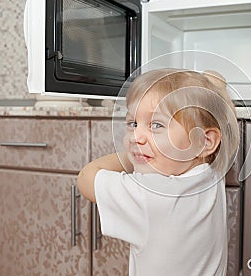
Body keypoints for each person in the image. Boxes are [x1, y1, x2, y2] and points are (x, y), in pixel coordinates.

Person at [77, 68, 239, 276]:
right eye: (133, 123)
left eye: (156, 125)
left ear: (205, 142)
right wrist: (217, 88)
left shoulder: (150, 195)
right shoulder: (209, 173)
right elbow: (225, 125)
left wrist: (134, 153)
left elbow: (86, 177)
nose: (136, 136)